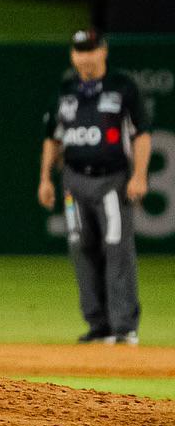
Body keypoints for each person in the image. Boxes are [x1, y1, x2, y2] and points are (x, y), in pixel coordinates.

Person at [38, 29, 151, 345]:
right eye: (79, 51)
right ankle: (98, 325)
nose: (84, 56)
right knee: (81, 248)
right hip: (74, 180)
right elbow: (53, 137)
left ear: (103, 51)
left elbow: (142, 133)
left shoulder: (122, 88)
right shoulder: (66, 90)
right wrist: (45, 178)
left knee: (117, 248)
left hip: (112, 179)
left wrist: (139, 175)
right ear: (73, 55)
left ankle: (124, 327)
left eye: (90, 50)